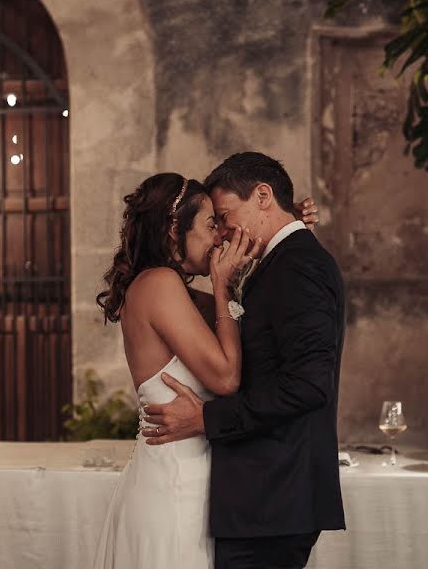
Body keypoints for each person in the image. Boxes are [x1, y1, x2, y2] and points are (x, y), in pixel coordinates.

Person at [91, 171, 319, 569]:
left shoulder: (173, 290)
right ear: (174, 229)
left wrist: (281, 227)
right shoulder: (159, 284)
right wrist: (223, 287)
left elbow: (239, 331)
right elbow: (227, 378)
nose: (219, 237)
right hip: (173, 490)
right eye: (212, 224)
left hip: (190, 486)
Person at [141, 152, 346, 569]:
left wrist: (207, 419)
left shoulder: (298, 267)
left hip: (274, 498)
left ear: (263, 196)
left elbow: (309, 385)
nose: (222, 231)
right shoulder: (281, 264)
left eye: (225, 215)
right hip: (262, 502)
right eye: (213, 222)